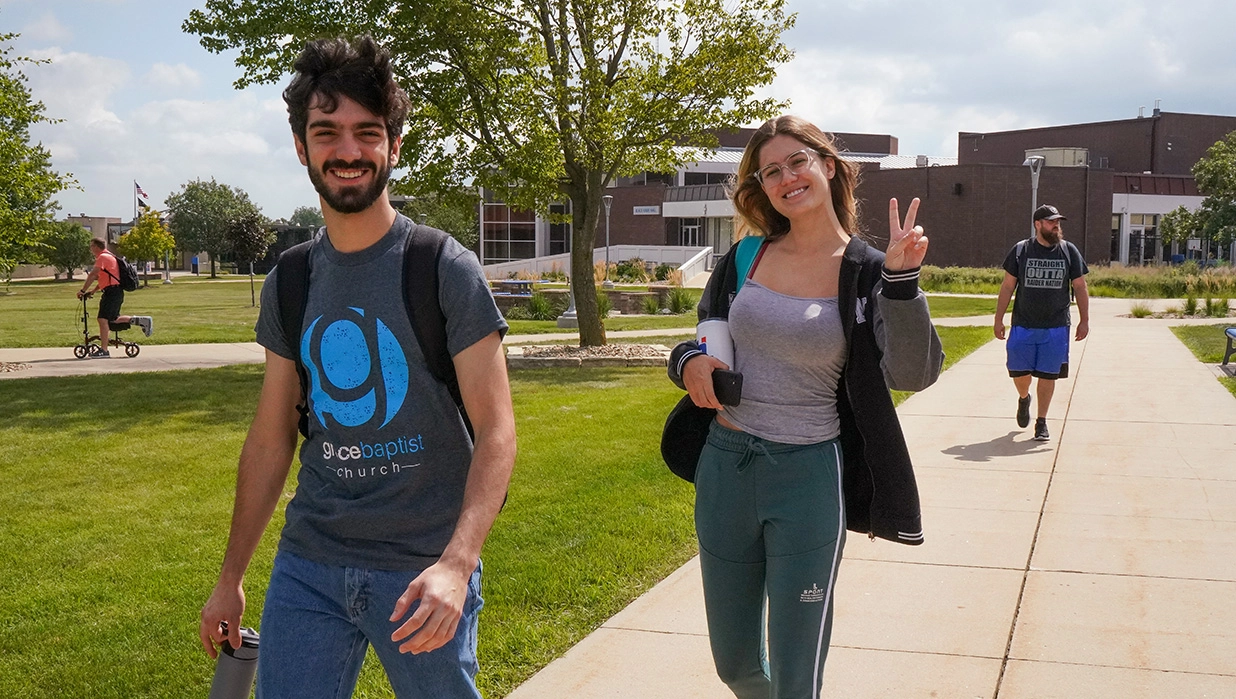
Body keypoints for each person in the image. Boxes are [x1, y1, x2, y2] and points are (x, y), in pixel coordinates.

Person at [198, 36, 516, 698]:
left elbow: (497, 430)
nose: (347, 151)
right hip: (310, 563)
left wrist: (458, 564)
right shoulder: (291, 279)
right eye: (327, 132)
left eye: (367, 132)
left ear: (393, 146)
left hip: (422, 569)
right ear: (301, 146)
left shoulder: (443, 267)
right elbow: (270, 437)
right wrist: (230, 576)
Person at [666, 115, 943, 698]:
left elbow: (914, 374)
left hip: (808, 475)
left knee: (796, 674)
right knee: (736, 664)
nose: (787, 178)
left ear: (829, 166)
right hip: (726, 465)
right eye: (771, 172)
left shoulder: (868, 271)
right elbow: (704, 338)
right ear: (761, 188)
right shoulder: (746, 256)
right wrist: (687, 362)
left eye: (798, 162)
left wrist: (901, 282)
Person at [993, 204, 1090, 442]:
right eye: (1051, 221)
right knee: (1019, 373)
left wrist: (1084, 320)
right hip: (1023, 324)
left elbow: (1080, 286)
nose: (1056, 225)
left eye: (1058, 221)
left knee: (1048, 375)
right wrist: (998, 319)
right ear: (1038, 224)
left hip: (1056, 326)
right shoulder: (1021, 250)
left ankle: (1042, 422)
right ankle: (1024, 398)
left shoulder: (1068, 251)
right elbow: (1007, 286)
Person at [76, 238, 152, 357]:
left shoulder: (102, 257)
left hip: (112, 292)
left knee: (103, 319)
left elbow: (93, 275)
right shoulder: (110, 256)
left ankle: (104, 350)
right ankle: (141, 320)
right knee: (112, 319)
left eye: (91, 246)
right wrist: (93, 291)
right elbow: (105, 278)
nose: (90, 249)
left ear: (96, 247)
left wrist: (82, 290)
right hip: (113, 291)